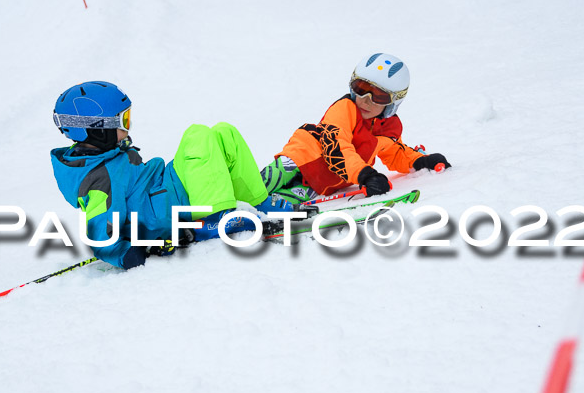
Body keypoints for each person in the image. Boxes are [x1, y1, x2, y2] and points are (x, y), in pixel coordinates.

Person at [50, 81, 295, 269]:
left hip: (167, 190)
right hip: (168, 208)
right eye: (123, 120)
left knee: (223, 133)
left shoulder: (107, 153)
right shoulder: (97, 178)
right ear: (97, 130)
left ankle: (259, 201)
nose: (128, 126)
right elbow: (99, 229)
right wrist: (124, 254)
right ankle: (212, 219)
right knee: (197, 136)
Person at [261, 53, 451, 204]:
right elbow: (337, 149)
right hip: (297, 160)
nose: (366, 100)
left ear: (393, 102)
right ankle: (236, 197)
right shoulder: (344, 109)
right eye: (361, 88)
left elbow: (396, 154)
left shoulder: (388, 127)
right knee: (260, 187)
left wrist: (422, 161)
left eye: (378, 96)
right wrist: (365, 175)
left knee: (280, 202)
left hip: (321, 185)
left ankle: (249, 216)